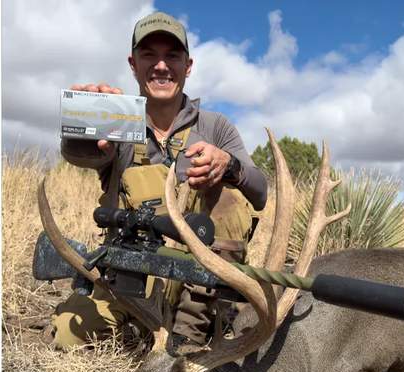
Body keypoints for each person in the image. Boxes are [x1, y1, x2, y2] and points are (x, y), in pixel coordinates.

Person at [49, 11, 269, 350]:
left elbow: (260, 193)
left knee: (229, 198)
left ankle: (189, 334)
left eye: (172, 56)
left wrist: (230, 165)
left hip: (197, 287)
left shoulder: (216, 126)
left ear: (188, 65)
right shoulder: (116, 120)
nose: (161, 66)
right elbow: (82, 154)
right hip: (128, 280)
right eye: (149, 55)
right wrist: (81, 128)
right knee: (66, 335)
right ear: (133, 63)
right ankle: (140, 331)